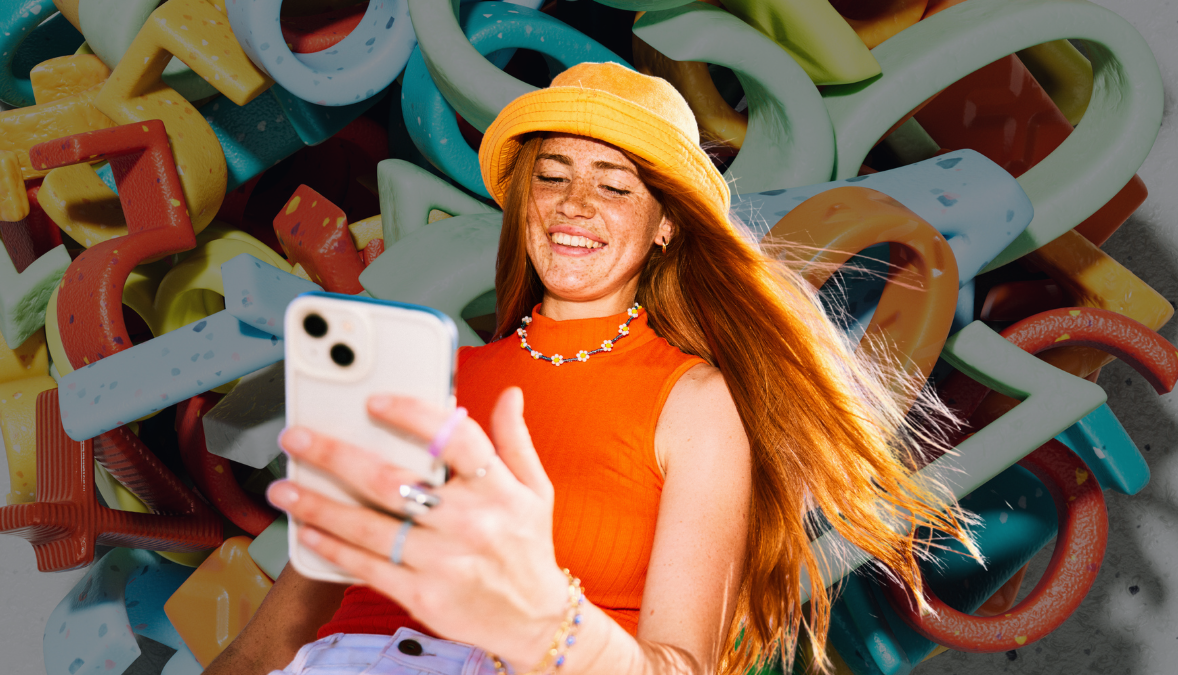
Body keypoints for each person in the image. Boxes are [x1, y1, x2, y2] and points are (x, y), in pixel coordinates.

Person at [204, 62, 977, 675]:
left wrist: (544, 619)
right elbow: (273, 635)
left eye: (615, 186)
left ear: (665, 223)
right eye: (553, 175)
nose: (576, 204)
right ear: (522, 202)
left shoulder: (696, 400)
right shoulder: (422, 376)